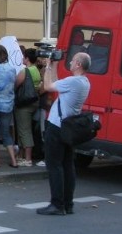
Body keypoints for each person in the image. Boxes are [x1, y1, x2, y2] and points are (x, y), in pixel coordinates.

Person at [37, 52, 91, 216]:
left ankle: (57, 204)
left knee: (54, 165)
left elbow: (47, 86)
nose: (71, 62)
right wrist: (54, 65)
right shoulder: (84, 82)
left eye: (74, 60)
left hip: (57, 126)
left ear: (79, 65)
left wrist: (46, 66)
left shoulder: (74, 81)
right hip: (67, 128)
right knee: (67, 166)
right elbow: (56, 83)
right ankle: (68, 203)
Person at [14, 48, 41, 167]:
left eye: (23, 56)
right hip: (33, 101)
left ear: (27, 58)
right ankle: (21, 155)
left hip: (24, 104)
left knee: (24, 130)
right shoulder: (36, 70)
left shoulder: (25, 71)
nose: (22, 58)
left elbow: (16, 84)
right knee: (25, 128)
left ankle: (28, 158)